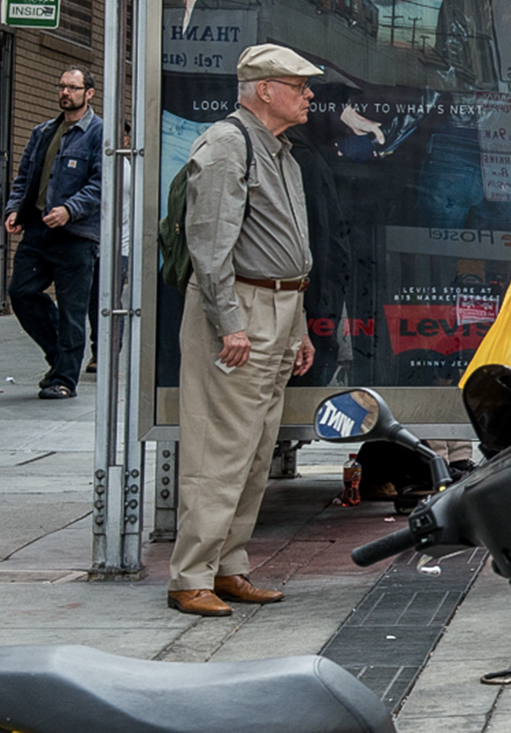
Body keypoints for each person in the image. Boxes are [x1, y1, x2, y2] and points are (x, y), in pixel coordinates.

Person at [167, 44, 320, 618]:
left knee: (256, 448)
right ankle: (190, 576)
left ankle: (228, 567)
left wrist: (299, 325)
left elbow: (292, 253)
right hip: (241, 309)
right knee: (221, 448)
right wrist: (230, 322)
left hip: (279, 307)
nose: (309, 95)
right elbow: (209, 247)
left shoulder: (280, 151)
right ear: (264, 90)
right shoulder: (228, 146)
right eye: (299, 84)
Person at [4, 68, 103, 400]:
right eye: (61, 86)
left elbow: (102, 184)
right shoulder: (44, 131)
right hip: (37, 229)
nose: (65, 93)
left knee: (73, 309)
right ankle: (60, 355)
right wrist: (15, 209)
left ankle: (63, 380)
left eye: (73, 88)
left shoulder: (98, 134)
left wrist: (70, 210)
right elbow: (24, 177)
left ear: (89, 93)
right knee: (21, 292)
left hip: (76, 235)